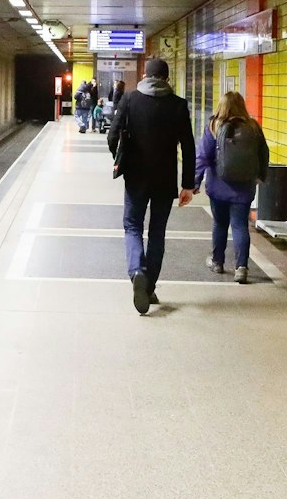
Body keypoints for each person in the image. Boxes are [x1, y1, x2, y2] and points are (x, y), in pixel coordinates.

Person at [106, 58, 195, 315]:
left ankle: (136, 272)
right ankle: (148, 286)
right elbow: (188, 147)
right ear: (167, 79)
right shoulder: (178, 105)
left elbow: (113, 135)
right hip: (165, 180)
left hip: (135, 176)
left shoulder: (130, 100)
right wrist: (188, 185)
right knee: (157, 233)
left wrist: (120, 159)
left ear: (145, 75)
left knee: (133, 226)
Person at [196, 90, 270, 284]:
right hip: (244, 187)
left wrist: (194, 181)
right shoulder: (253, 127)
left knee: (220, 224)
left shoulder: (214, 126)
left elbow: (203, 156)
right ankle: (241, 268)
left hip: (218, 185)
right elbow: (264, 153)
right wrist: (261, 176)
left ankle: (218, 262)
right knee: (240, 226)